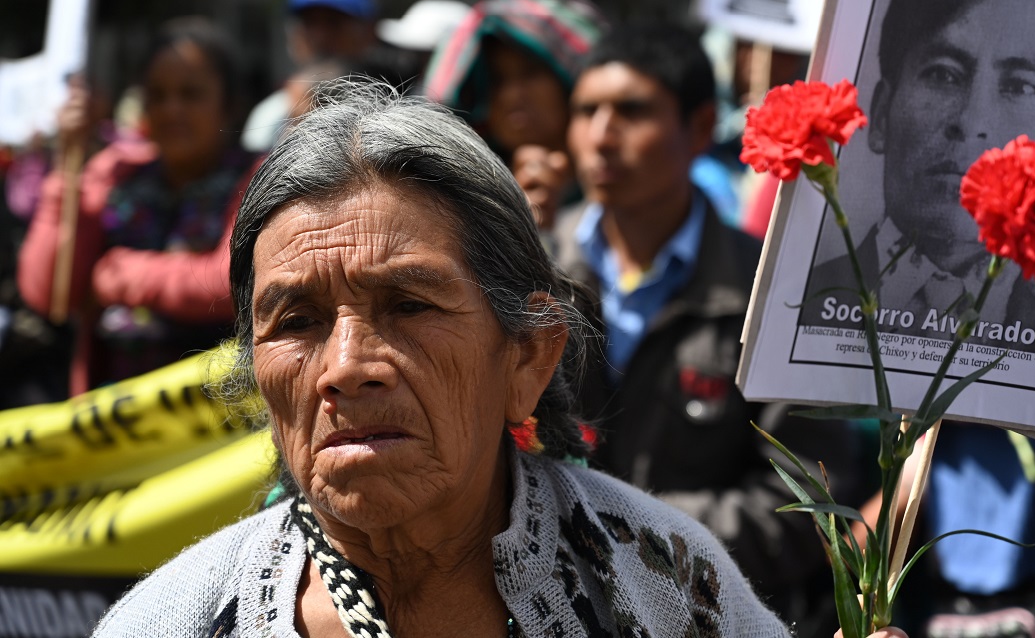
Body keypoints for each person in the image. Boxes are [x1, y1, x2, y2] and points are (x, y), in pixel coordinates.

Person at [91, 86, 790, 638]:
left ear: (527, 357)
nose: (346, 367)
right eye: (296, 323)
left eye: (410, 306)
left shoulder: (670, 587)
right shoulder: (177, 621)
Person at [549, 24, 862, 633]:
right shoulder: (529, 270)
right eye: (586, 111)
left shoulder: (771, 291)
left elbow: (808, 501)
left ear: (698, 129)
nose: (601, 135)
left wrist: (629, 525)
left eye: (632, 111)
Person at [799, 0, 1035, 360]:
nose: (971, 120)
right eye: (944, 74)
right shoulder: (797, 301)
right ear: (883, 113)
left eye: (1019, 86)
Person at [18, 18, 260, 393]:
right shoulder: (115, 174)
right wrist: (69, 165)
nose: (171, 110)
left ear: (230, 104)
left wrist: (122, 275)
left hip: (220, 418)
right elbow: (50, 292)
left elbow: (233, 284)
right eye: (157, 95)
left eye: (190, 94)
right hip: (120, 424)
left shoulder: (258, 178)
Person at [423, 0, 608, 229]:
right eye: (497, 80)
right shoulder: (461, 201)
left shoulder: (625, 190)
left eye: (530, 73)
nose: (512, 95)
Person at [243, 0, 383, 153]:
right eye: (309, 23)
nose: (320, 37)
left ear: (369, 30)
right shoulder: (270, 116)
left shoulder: (407, 106)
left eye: (334, 22)